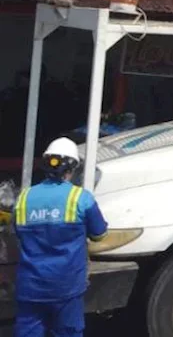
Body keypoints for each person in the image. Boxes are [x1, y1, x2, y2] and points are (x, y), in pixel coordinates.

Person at [14, 138, 108, 337]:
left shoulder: (24, 198)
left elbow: (18, 234)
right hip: (66, 286)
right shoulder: (80, 198)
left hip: (30, 286)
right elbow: (99, 234)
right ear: (72, 168)